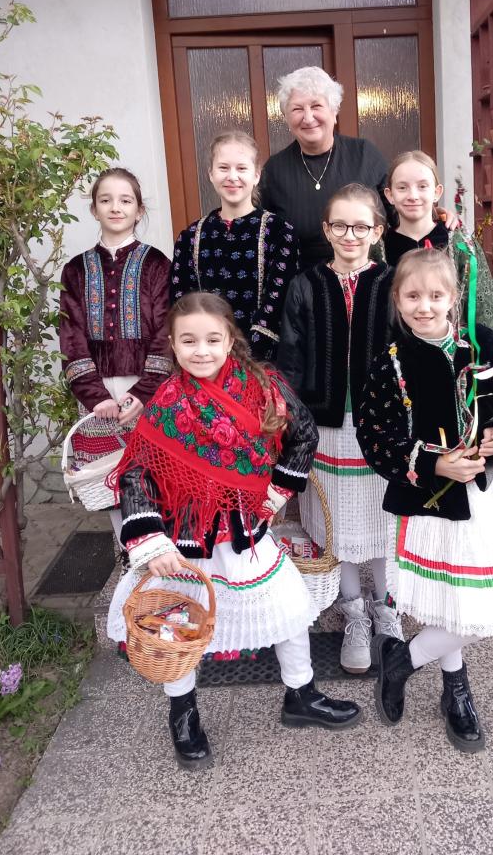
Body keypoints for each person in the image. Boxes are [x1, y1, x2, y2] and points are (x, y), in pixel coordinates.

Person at [107, 292, 361, 769]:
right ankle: (183, 713)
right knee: (177, 627)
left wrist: (278, 492)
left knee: (289, 610)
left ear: (230, 341)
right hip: (184, 541)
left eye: (211, 339)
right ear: (173, 346)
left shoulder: (263, 386)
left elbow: (303, 434)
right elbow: (137, 472)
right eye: (188, 341)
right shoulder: (166, 402)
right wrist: (150, 541)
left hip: (246, 530)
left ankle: (301, 693)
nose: (201, 350)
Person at [356, 248, 493, 752]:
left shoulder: (487, 351)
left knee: (480, 612)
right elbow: (375, 437)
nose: (425, 306)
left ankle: (404, 659)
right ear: (397, 300)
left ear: (455, 298)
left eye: (436, 295)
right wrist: (436, 465)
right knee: (448, 603)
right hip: (428, 504)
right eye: (413, 296)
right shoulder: (390, 366)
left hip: (481, 502)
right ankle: (455, 687)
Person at [277, 182, 402, 674]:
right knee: (340, 522)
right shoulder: (305, 284)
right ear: (326, 229)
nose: (351, 235)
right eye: (341, 226)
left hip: (382, 425)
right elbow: (289, 357)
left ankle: (386, 609)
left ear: (378, 231)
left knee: (381, 518)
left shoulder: (392, 282)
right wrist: (294, 418)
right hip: (324, 424)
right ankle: (353, 611)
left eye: (362, 226)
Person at [59, 168, 173, 538]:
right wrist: (95, 397)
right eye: (105, 200)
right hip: (98, 394)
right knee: (107, 480)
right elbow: (71, 336)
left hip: (147, 390)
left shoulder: (157, 264)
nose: (115, 207)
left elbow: (166, 332)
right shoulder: (75, 269)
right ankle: (126, 556)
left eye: (125, 200)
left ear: (139, 210)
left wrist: (144, 392)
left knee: (154, 476)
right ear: (94, 209)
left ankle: (162, 556)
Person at [260, 66, 458, 269]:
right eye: (297, 109)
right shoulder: (274, 171)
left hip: (367, 280)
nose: (308, 117)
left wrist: (432, 215)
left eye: (316, 106)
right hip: (302, 283)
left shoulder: (365, 155)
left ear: (334, 111)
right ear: (286, 117)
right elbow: (261, 233)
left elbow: (397, 211)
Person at [169, 130, 298, 361]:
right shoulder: (190, 237)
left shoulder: (280, 233)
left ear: (256, 175)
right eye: (223, 168)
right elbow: (182, 301)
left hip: (261, 360)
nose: (232, 176)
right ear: (210, 174)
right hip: (205, 359)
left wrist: (246, 356)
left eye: (241, 168)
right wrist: (208, 350)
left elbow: (277, 302)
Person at [382, 150, 493, 332]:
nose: (413, 195)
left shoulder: (461, 245)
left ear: (437, 192)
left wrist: (485, 345)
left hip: (451, 345)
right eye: (402, 187)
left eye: (422, 186)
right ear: (390, 195)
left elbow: (483, 309)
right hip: (393, 346)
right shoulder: (379, 248)